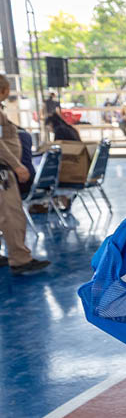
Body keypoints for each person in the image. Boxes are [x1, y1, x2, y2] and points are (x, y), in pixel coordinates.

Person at [0, 75, 49, 274]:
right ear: (3, 90)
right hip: (3, 171)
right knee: (12, 216)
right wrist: (17, 165)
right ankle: (20, 260)